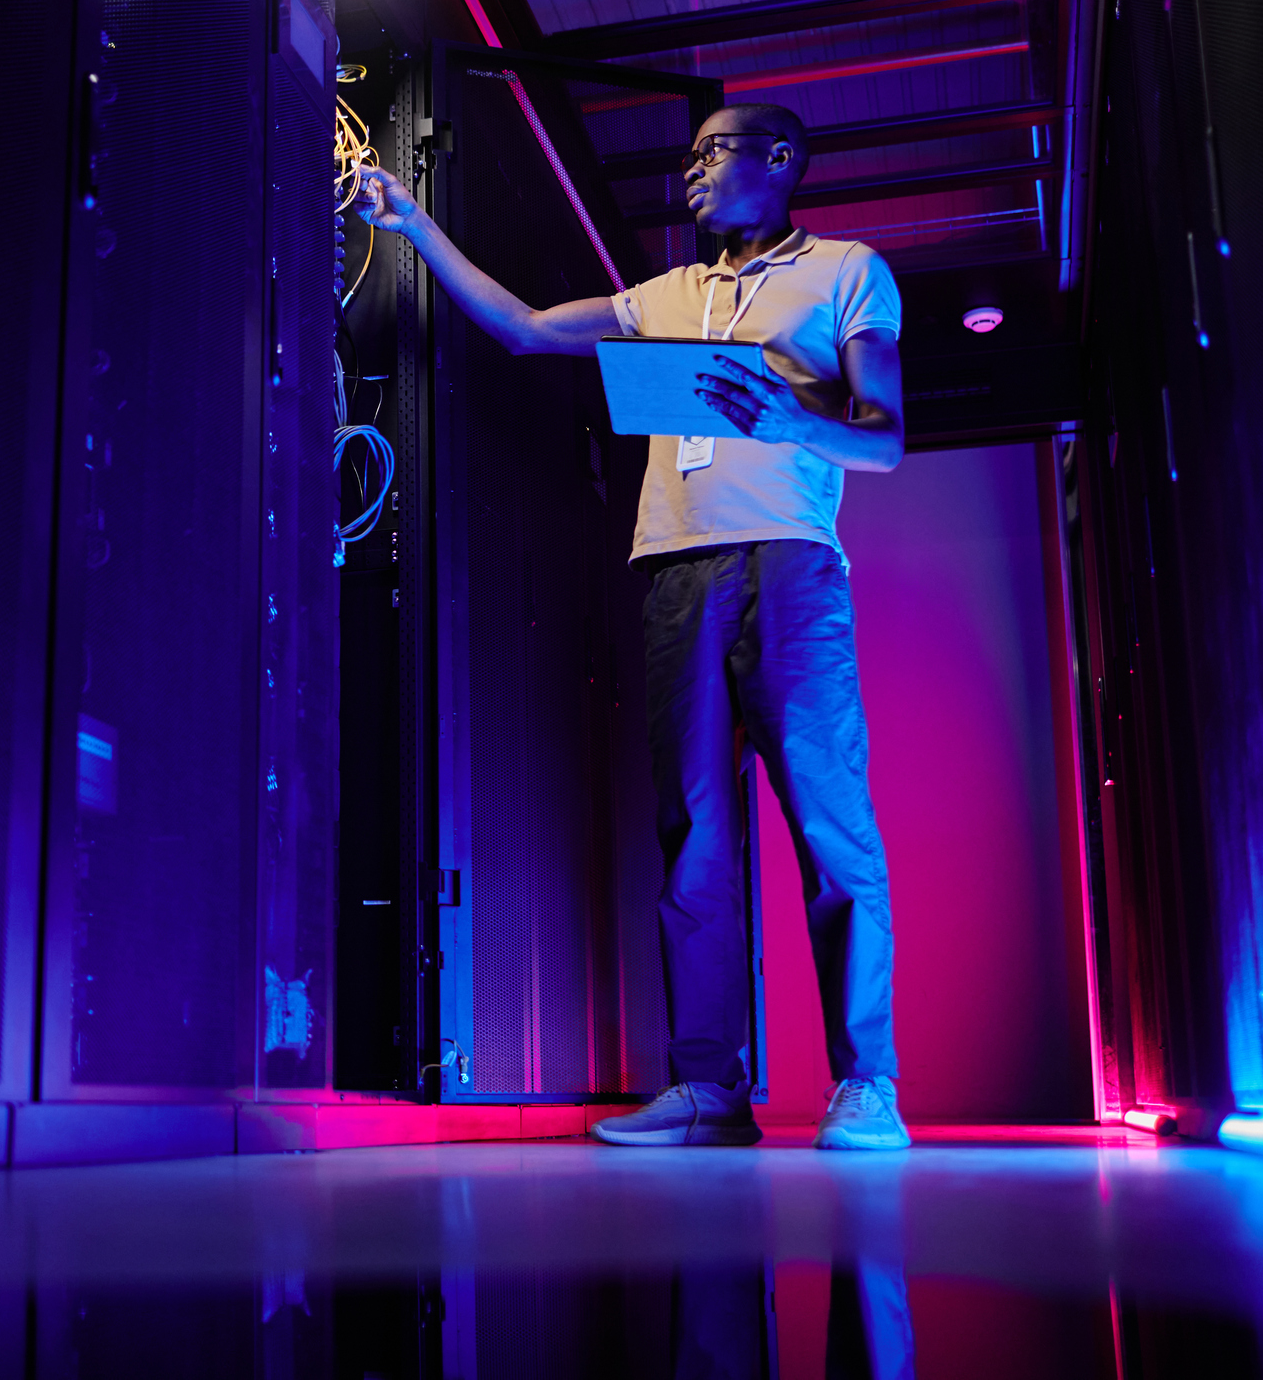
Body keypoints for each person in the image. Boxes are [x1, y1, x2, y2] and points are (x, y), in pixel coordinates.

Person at [356, 102, 910, 1150]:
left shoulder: (846, 270)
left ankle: (867, 1084)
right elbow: (523, 332)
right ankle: (709, 1090)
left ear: (780, 160)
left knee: (832, 827)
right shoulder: (664, 295)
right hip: (674, 573)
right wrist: (417, 227)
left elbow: (884, 442)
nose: (692, 169)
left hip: (790, 566)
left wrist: (792, 415)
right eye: (691, 152)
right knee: (694, 836)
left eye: (715, 151)